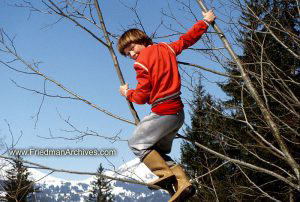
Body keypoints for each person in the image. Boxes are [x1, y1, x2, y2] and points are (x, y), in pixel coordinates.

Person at [118, 10, 216, 202]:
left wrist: (127, 93)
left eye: (131, 47)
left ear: (142, 40)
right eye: (127, 53)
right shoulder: (166, 48)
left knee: (136, 144)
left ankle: (165, 175)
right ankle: (182, 183)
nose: (131, 54)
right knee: (157, 151)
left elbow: (141, 95)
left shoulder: (141, 64)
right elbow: (187, 39)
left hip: (163, 111)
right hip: (177, 114)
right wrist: (205, 22)